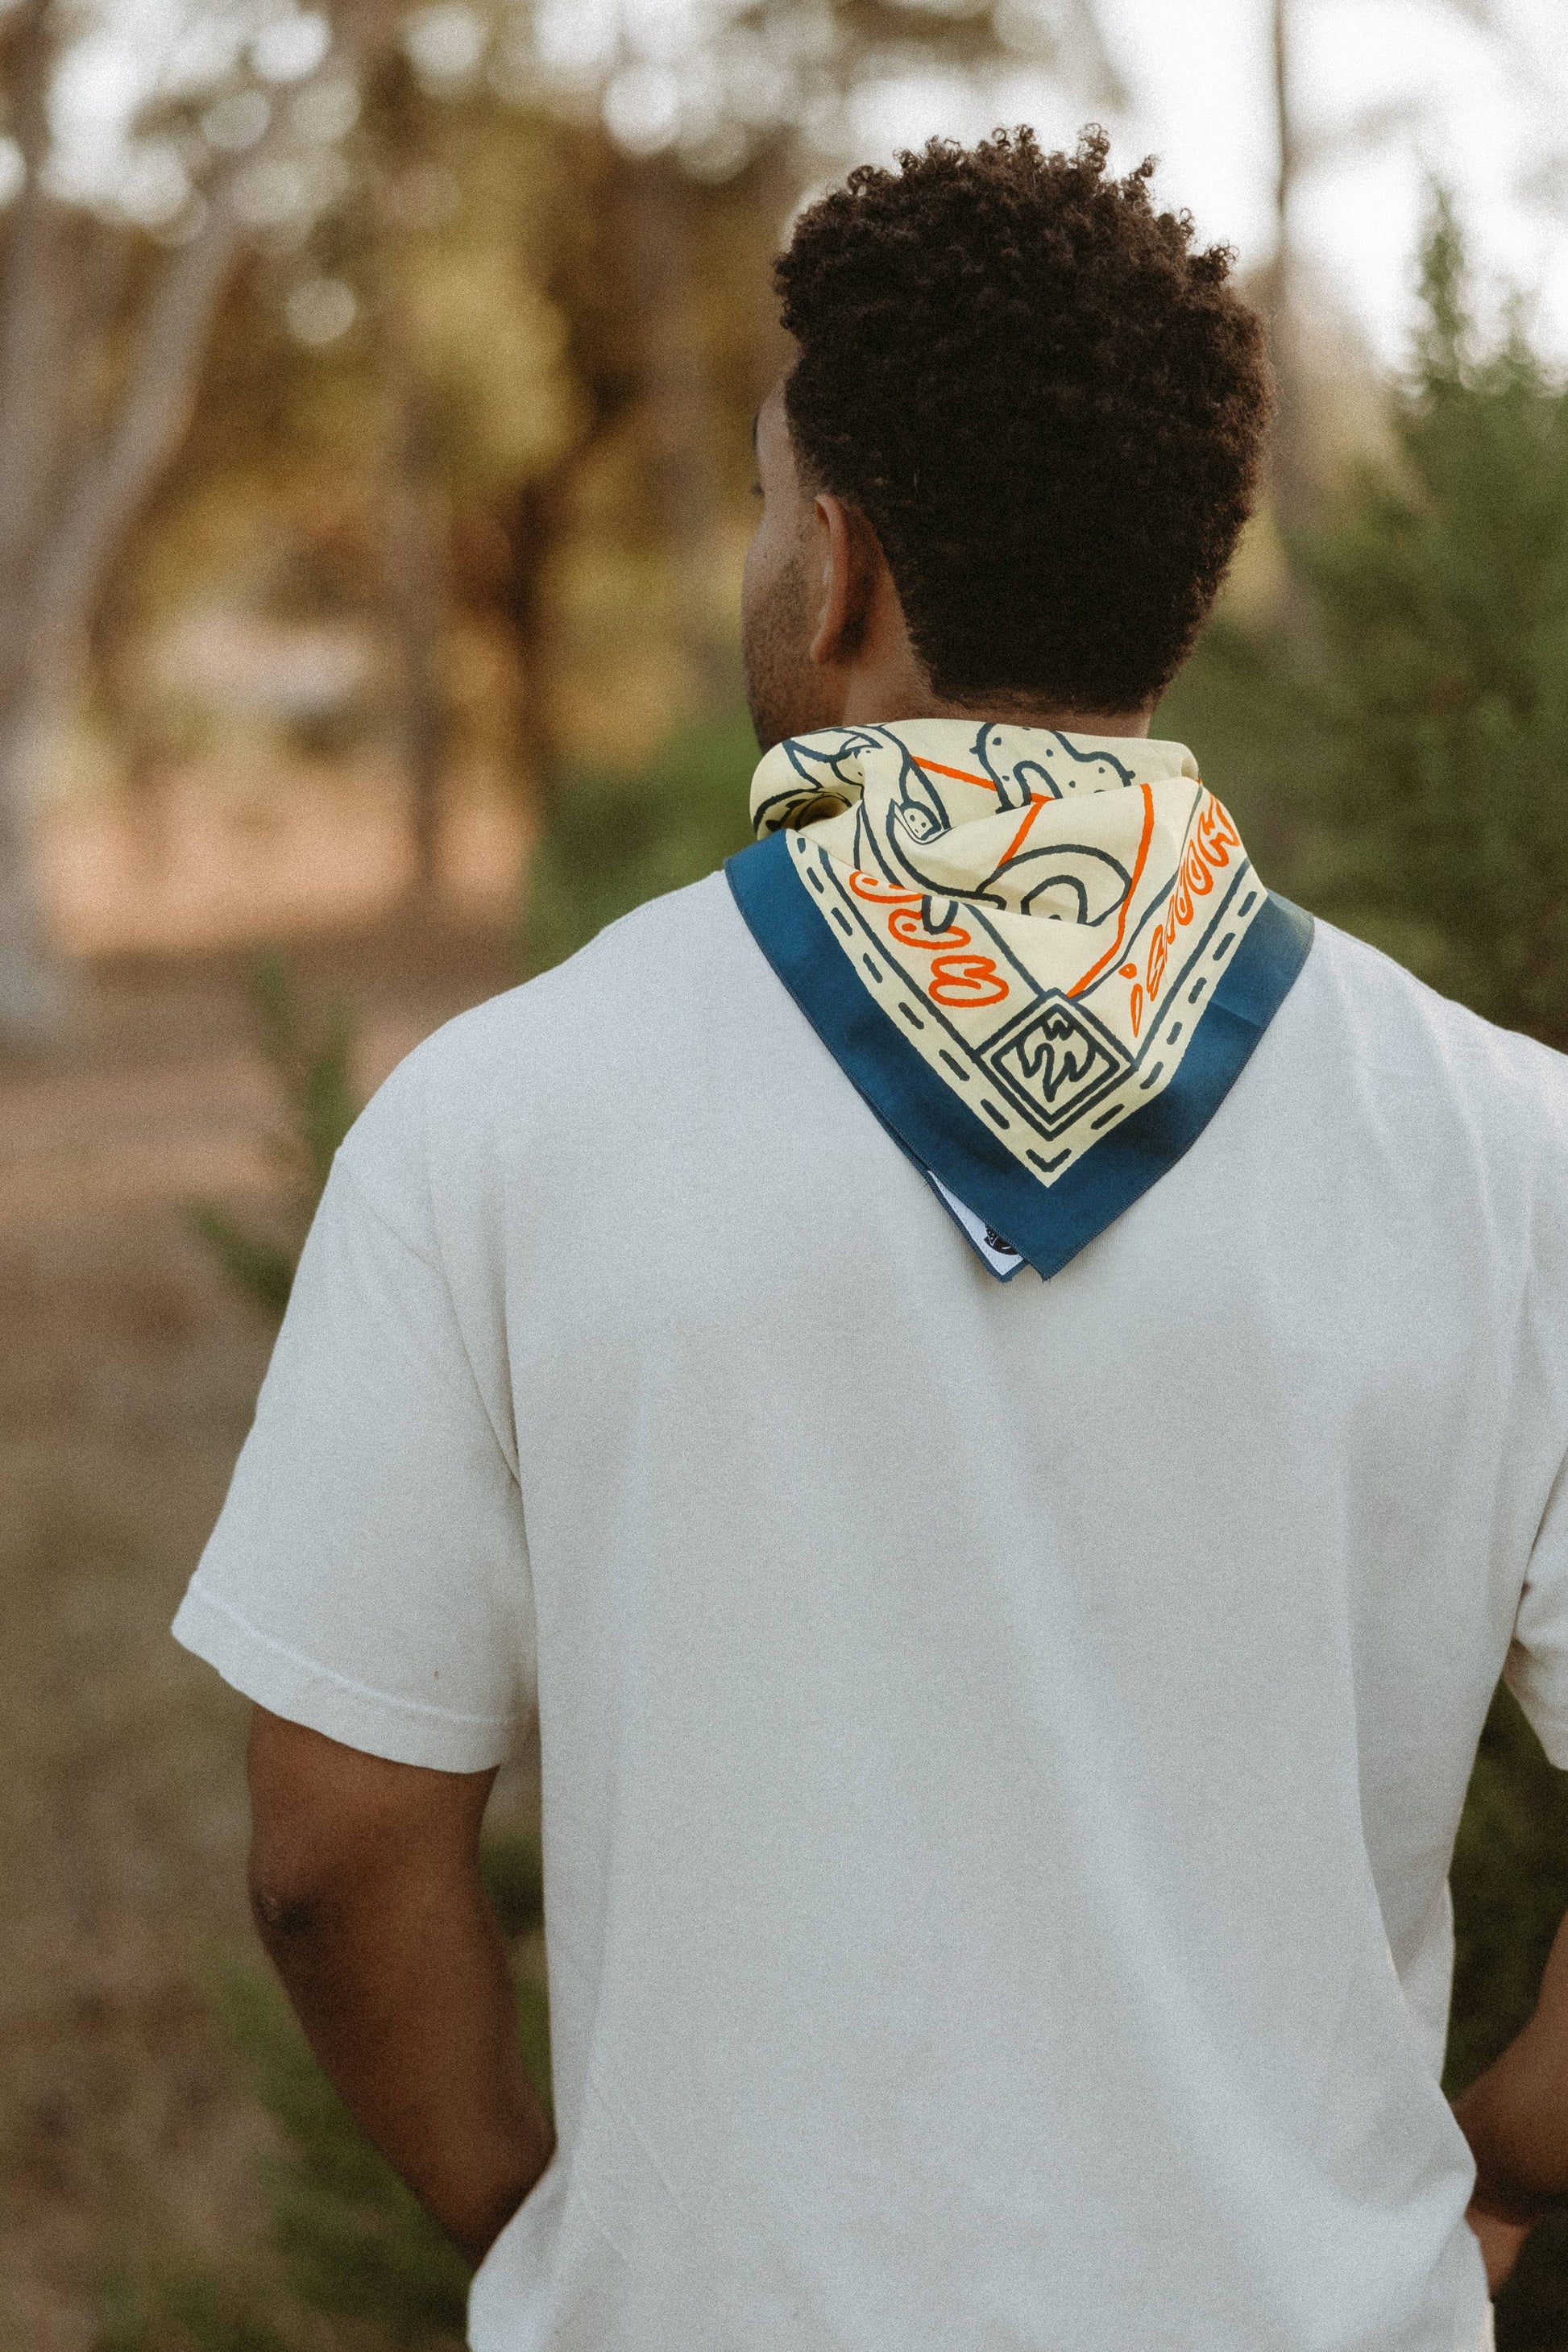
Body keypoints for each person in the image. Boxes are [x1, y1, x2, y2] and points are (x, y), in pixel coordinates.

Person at [173, 128, 1568, 2351]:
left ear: (829, 568)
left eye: (751, 504)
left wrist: (531, 2224)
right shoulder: (1509, 1149)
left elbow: (330, 1854)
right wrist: (1497, 2169)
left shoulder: (499, 1119)